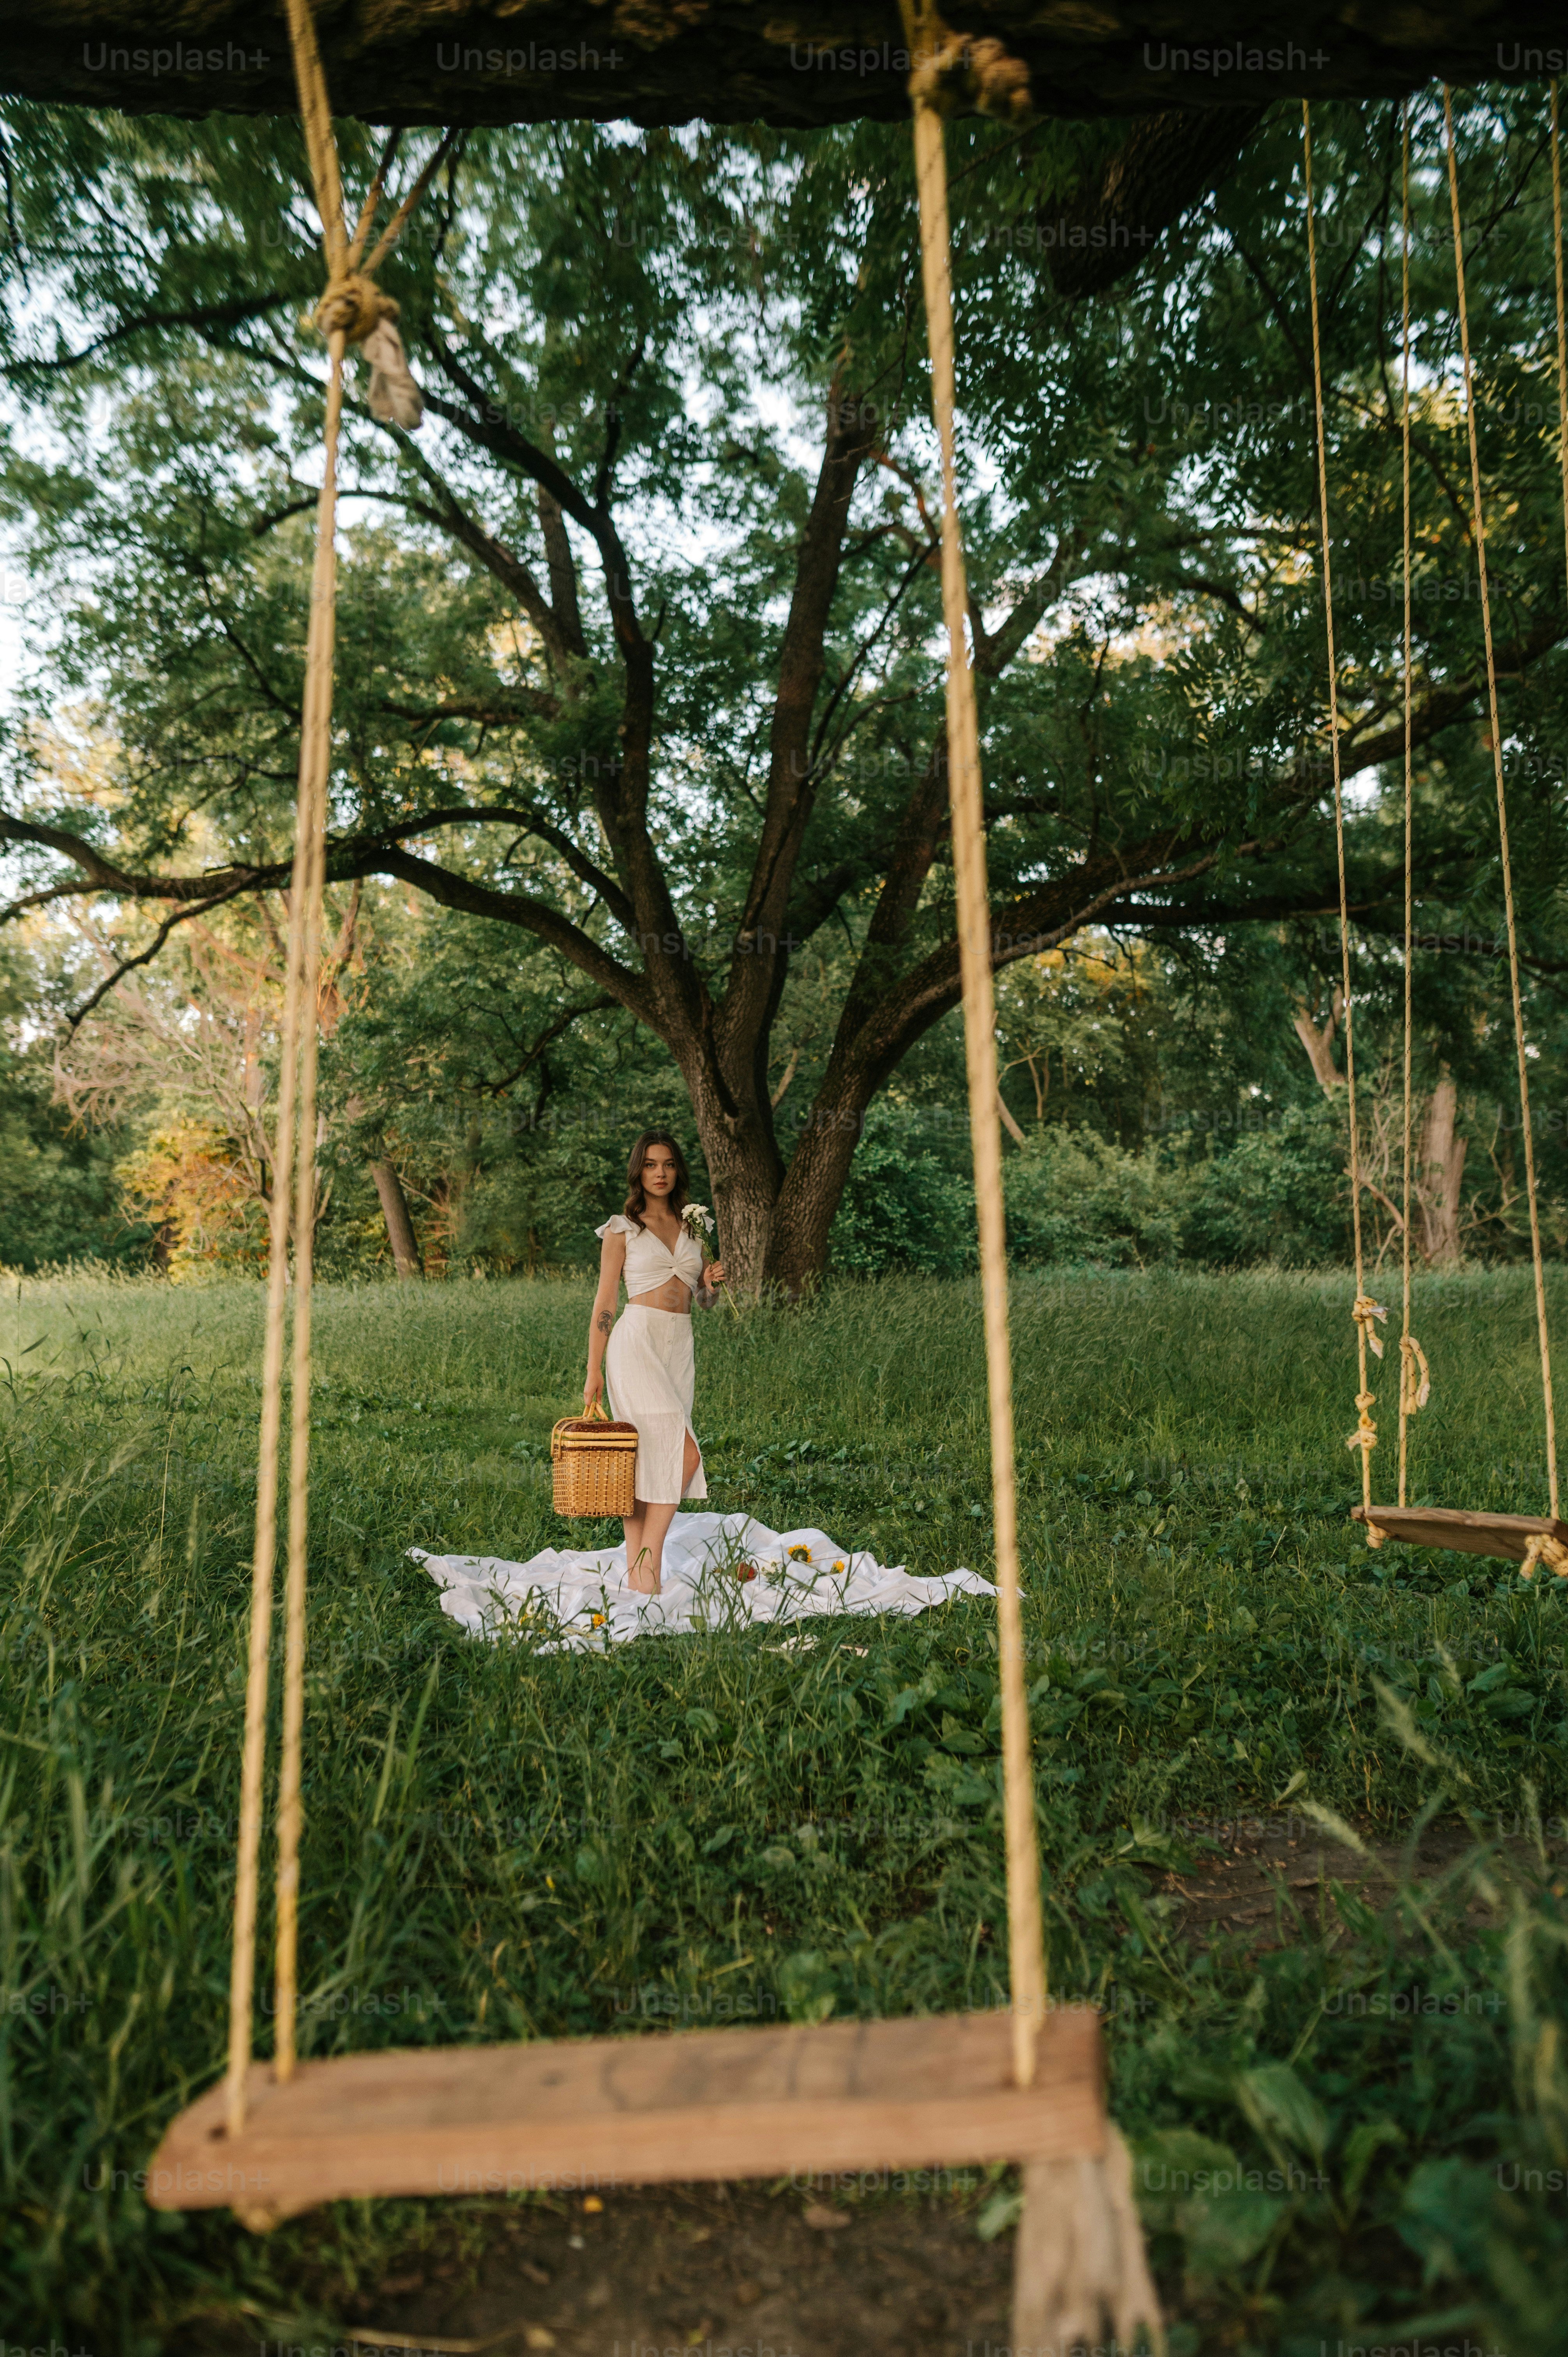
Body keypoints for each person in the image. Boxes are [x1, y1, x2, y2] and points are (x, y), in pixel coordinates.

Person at [583, 1131, 726, 1595]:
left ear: (677, 1170)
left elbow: (702, 1303)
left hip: (679, 1345)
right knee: (682, 1452)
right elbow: (606, 1303)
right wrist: (593, 1372)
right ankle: (650, 1564)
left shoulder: (694, 1228)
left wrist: (711, 1285)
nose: (660, 1173)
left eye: (667, 1164)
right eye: (650, 1165)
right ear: (638, 1171)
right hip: (636, 1340)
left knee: (645, 1459)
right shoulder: (622, 1229)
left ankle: (635, 1575)